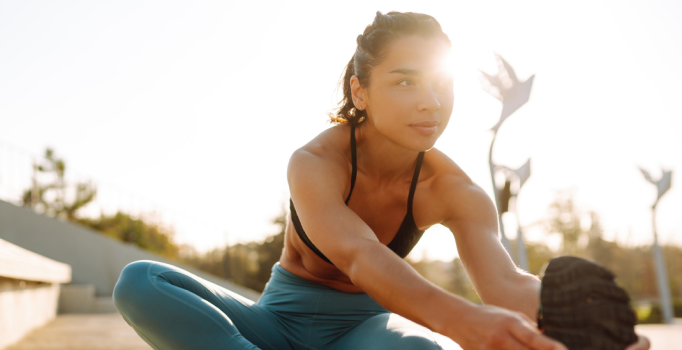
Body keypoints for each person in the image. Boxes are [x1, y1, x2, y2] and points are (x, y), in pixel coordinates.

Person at [113, 11, 650, 350]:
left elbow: (504, 285)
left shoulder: (454, 190)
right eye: (405, 81)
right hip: (275, 324)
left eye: (441, 83)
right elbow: (360, 258)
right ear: (361, 91)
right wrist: (461, 322)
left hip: (363, 333)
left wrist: (588, 328)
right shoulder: (315, 163)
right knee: (141, 282)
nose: (430, 101)